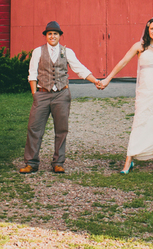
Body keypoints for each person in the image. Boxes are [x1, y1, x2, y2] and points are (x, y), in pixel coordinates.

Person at [99, 17, 153, 174]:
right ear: (147, 29)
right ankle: (129, 161)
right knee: (139, 122)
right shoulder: (139, 46)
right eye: (152, 28)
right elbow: (123, 62)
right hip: (146, 90)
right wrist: (108, 78)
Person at [19, 20, 102, 174]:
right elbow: (32, 74)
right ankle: (31, 163)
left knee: (61, 130)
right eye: (49, 34)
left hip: (62, 95)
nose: (52, 36)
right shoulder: (38, 51)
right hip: (42, 94)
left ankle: (58, 162)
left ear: (59, 36)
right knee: (34, 128)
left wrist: (95, 81)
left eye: (55, 34)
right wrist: (34, 94)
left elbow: (79, 69)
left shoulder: (67, 52)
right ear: (46, 36)